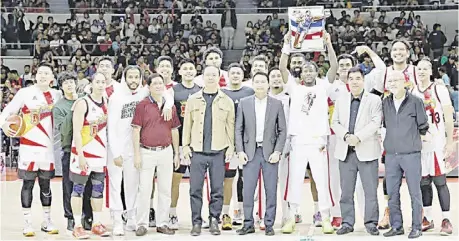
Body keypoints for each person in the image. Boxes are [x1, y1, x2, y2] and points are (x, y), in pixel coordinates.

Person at [0, 63, 61, 237]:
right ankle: (27, 223)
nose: (42, 75)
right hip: (28, 147)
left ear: (52, 78)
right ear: (35, 75)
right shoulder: (24, 93)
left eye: (46, 73)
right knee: (27, 184)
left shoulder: (57, 95)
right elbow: (6, 112)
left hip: (48, 149)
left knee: (46, 185)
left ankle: (47, 221)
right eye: (40, 72)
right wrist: (4, 124)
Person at [280, 61, 334, 234]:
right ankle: (292, 216)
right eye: (305, 70)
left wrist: (327, 43)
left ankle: (325, 216)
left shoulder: (323, 86)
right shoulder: (295, 88)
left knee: (321, 180)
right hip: (298, 141)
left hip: (318, 141)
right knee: (294, 180)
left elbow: (333, 67)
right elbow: (282, 68)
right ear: (300, 74)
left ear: (317, 72)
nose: (308, 73)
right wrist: (287, 45)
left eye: (311, 70)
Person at [182, 65, 235, 236]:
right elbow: (187, 125)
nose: (211, 77)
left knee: (217, 189)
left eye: (214, 75)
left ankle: (214, 220)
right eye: (208, 75)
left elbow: (230, 126)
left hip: (218, 151)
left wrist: (231, 147)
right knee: (195, 189)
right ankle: (196, 222)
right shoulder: (193, 99)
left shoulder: (226, 100)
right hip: (197, 151)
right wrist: (185, 146)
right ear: (202, 77)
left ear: (219, 76)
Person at [331, 67, 382, 236]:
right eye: (351, 78)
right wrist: (346, 136)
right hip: (345, 152)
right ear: (347, 81)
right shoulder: (341, 99)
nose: (354, 81)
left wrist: (358, 137)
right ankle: (347, 222)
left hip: (366, 150)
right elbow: (334, 122)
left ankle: (371, 222)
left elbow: (376, 123)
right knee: (346, 191)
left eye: (358, 78)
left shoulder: (374, 100)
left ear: (363, 80)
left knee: (370, 190)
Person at [235, 72, 287, 236]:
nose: (259, 85)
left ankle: (269, 223)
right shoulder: (244, 103)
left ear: (268, 84)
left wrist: (278, 150)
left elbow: (282, 130)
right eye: (256, 82)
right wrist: (240, 150)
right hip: (250, 153)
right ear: (252, 83)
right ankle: (248, 223)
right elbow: (238, 129)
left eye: (262, 81)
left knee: (270, 190)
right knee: (248, 190)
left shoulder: (277, 104)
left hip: (270, 153)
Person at [131, 73, 180, 236]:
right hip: (147, 152)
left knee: (165, 189)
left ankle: (162, 223)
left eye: (161, 83)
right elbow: (136, 130)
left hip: (166, 151)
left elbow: (174, 130)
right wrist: (137, 154)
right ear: (149, 87)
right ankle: (142, 223)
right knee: (144, 189)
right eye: (155, 84)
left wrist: (176, 153)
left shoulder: (170, 106)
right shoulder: (142, 105)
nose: (159, 86)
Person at [382, 71, 429, 239]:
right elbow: (385, 125)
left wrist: (412, 141)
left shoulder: (416, 101)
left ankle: (416, 226)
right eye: (390, 80)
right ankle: (396, 226)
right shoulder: (385, 102)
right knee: (392, 193)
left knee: (414, 192)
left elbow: (423, 125)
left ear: (405, 82)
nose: (393, 83)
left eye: (396, 80)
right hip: (391, 156)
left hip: (411, 154)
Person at [413, 59, 454, 235]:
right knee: (423, 182)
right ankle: (428, 218)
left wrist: (450, 141)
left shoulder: (439, 89)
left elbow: (448, 115)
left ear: (431, 71)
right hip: (419, 144)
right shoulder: (412, 91)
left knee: (440, 181)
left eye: (425, 68)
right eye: (419, 68)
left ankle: (446, 219)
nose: (421, 71)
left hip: (436, 142)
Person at [70, 72, 110, 238]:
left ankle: (96, 223)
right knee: (78, 189)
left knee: (98, 189)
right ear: (91, 83)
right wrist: (80, 154)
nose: (101, 85)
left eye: (103, 82)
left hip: (100, 153)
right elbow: (77, 131)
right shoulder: (83, 102)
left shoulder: (106, 101)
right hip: (83, 152)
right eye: (98, 82)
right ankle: (78, 225)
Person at [220, 63, 254, 230]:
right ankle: (225, 213)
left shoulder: (250, 92)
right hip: (227, 143)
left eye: (238, 73)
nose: (235, 75)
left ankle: (242, 211)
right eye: (232, 73)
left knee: (245, 178)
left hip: (247, 142)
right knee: (228, 178)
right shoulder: (222, 93)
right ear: (227, 75)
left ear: (243, 75)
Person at [169, 59, 202, 230]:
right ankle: (172, 213)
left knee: (198, 182)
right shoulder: (173, 91)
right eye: (185, 68)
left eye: (191, 68)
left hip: (197, 143)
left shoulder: (201, 90)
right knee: (175, 180)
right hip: (179, 143)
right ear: (180, 71)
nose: (189, 71)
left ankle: (198, 215)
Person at [52, 72, 79, 231]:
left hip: (86, 149)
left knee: (85, 184)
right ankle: (69, 217)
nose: (69, 85)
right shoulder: (59, 107)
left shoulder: (84, 100)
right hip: (69, 149)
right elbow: (64, 130)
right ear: (61, 87)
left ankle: (85, 214)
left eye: (71, 82)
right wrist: (75, 109)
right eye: (66, 83)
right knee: (68, 184)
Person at [267, 67, 291, 227]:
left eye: (278, 76)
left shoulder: (289, 98)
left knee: (285, 182)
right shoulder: (262, 96)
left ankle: (287, 216)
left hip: (286, 144)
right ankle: (264, 214)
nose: (276, 78)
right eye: (273, 76)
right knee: (267, 182)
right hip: (266, 144)